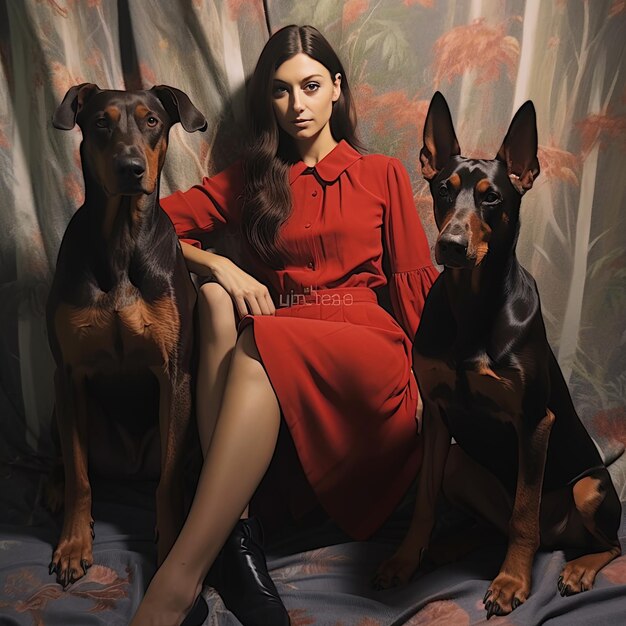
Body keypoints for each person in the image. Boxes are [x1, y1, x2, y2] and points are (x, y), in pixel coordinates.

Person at [129, 24, 438, 626]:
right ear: (267, 101)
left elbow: (413, 285)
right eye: (280, 91)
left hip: (366, 341)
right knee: (219, 300)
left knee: (255, 344)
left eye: (311, 86)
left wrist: (433, 386)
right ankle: (235, 539)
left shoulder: (382, 174)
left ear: (336, 90)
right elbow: (155, 221)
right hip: (286, 333)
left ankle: (179, 580)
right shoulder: (258, 179)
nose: (296, 106)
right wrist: (218, 261)